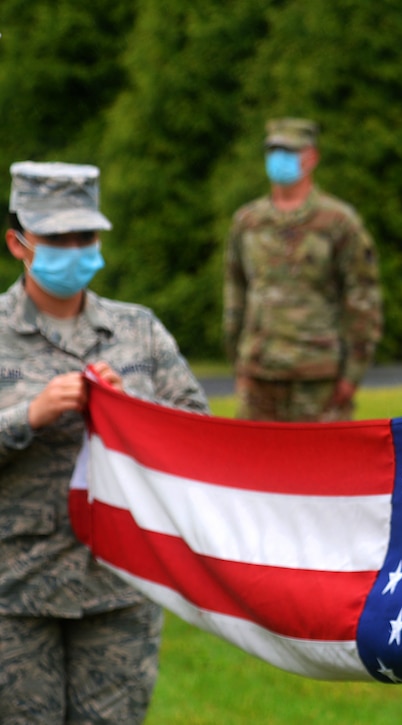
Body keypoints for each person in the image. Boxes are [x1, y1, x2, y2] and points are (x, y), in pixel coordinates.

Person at [0, 161, 210, 721]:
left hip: (121, 586)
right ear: (18, 242)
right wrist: (29, 415)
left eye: (84, 237)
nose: (74, 249)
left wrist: (136, 414)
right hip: (15, 593)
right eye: (56, 238)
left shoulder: (137, 330)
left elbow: (199, 434)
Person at [223, 117, 383, 421]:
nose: (279, 160)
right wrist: (238, 360)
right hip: (260, 373)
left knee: (323, 466)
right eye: (274, 151)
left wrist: (353, 372)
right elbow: (235, 291)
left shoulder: (337, 222)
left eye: (289, 151)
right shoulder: (248, 221)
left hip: (318, 376)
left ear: (312, 158)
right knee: (256, 465)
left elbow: (363, 298)